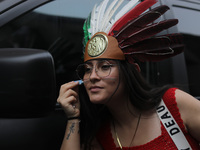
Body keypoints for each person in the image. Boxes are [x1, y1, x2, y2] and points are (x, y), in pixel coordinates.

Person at [57, 0, 200, 149]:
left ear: (131, 72)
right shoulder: (99, 137)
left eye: (105, 67)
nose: (92, 76)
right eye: (87, 69)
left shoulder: (173, 104)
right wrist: (73, 118)